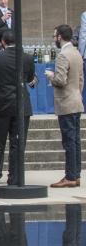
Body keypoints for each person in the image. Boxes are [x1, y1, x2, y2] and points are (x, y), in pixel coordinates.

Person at [0, 30, 36, 186]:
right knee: (17, 144)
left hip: (1, 105)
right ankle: (15, 176)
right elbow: (30, 78)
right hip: (21, 106)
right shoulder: (27, 58)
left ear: (2, 42)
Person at [46, 24, 84, 188]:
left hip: (66, 103)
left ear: (60, 37)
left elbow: (60, 80)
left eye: (55, 36)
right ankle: (75, 174)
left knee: (69, 141)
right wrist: (76, 92)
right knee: (75, 141)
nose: (54, 39)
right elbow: (80, 79)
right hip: (76, 100)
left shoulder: (63, 55)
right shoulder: (76, 52)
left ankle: (70, 176)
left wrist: (51, 76)